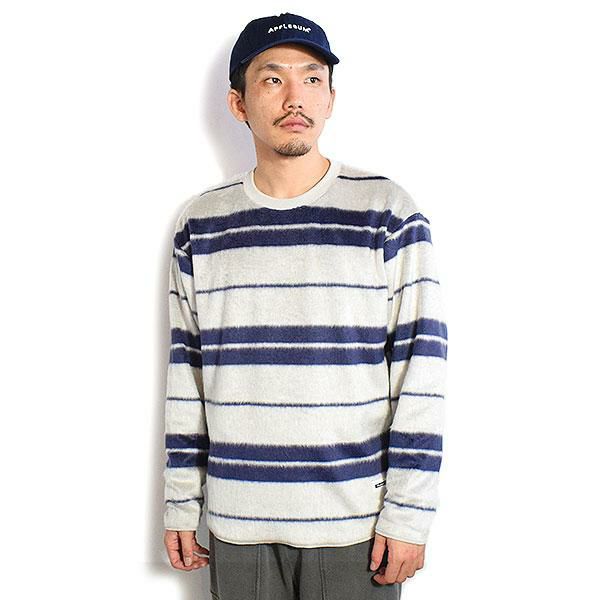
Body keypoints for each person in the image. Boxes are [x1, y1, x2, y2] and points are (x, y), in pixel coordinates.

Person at [162, 12, 448, 599]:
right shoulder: (202, 225)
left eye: (312, 78)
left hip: (354, 526)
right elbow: (186, 376)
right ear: (238, 103)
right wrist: (180, 502)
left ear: (331, 98)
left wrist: (409, 516)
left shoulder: (388, 213)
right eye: (273, 79)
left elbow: (422, 373)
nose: (295, 96)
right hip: (237, 522)